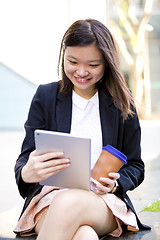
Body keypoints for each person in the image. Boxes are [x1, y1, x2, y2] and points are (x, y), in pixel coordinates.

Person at [14, 19, 150, 240]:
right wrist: (27, 173)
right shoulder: (46, 97)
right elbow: (25, 160)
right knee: (84, 235)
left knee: (68, 203)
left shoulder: (122, 102)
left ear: (107, 63)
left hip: (101, 201)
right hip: (50, 198)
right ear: (63, 56)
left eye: (93, 65)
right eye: (73, 61)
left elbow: (136, 165)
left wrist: (116, 183)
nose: (82, 71)